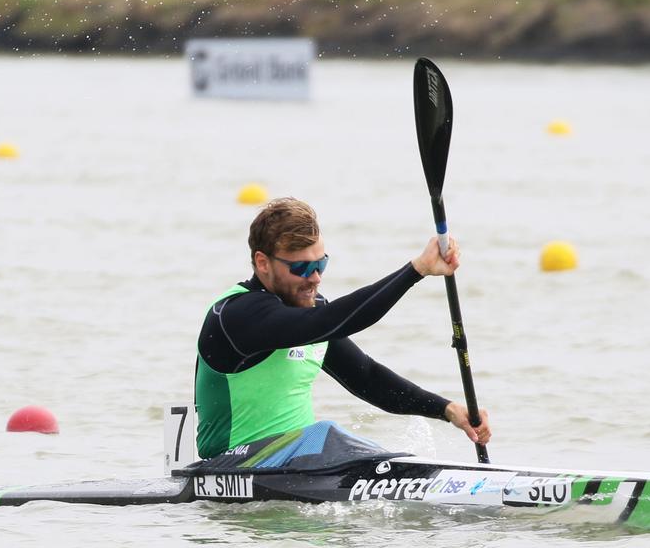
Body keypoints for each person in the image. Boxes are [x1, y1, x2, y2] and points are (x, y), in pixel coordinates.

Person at [194, 197, 491, 463]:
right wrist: (416, 270)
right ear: (263, 263)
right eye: (302, 269)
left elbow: (367, 377)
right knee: (326, 433)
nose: (316, 278)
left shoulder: (311, 311)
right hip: (231, 466)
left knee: (330, 441)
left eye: (321, 263)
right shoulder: (238, 315)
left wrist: (448, 410)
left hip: (297, 466)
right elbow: (334, 320)